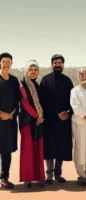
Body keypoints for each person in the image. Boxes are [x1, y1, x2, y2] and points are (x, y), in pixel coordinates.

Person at [40, 54, 74, 185]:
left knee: (61, 148)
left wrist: (68, 112)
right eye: (55, 62)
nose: (57, 64)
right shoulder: (45, 80)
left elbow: (73, 101)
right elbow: (42, 101)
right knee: (49, 148)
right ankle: (49, 175)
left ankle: (58, 174)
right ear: (52, 64)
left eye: (60, 62)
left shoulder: (67, 81)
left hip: (63, 121)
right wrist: (54, 113)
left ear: (63, 65)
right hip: (49, 121)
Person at [19, 60, 46, 188]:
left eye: (35, 70)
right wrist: (37, 117)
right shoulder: (22, 86)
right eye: (31, 69)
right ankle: (27, 178)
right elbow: (24, 103)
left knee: (38, 151)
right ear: (26, 71)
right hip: (27, 122)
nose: (33, 72)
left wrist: (40, 118)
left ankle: (40, 177)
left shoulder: (39, 87)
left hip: (39, 122)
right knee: (27, 152)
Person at [0, 52, 21, 189]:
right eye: (4, 61)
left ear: (11, 64)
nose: (6, 64)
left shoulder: (14, 81)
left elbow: (18, 101)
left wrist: (10, 114)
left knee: (6, 151)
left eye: (9, 62)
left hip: (10, 121)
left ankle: (4, 177)